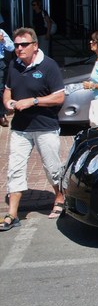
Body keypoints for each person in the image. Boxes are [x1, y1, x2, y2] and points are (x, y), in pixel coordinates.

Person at [2, 27, 65, 231]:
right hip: (20, 128)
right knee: (15, 168)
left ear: (35, 45)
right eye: (17, 45)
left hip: (45, 126)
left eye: (24, 45)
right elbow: (8, 90)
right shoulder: (13, 65)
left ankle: (60, 195)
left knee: (52, 167)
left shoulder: (49, 66)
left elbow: (59, 97)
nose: (19, 48)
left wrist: (33, 101)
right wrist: (9, 103)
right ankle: (12, 214)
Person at [0, 24, 15, 127]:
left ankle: (1, 115)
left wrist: (2, 41)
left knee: (0, 88)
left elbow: (12, 47)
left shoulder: (1, 31)